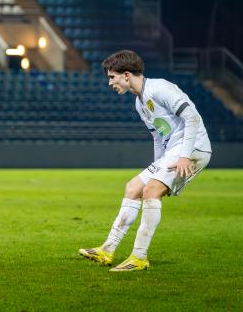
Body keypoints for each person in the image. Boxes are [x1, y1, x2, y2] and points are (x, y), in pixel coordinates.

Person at [79, 50, 211, 272]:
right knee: (133, 188)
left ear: (126, 75)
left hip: (193, 148)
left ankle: (139, 257)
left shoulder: (160, 88)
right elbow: (158, 137)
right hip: (173, 150)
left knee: (151, 191)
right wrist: (157, 166)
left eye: (112, 77)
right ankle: (107, 249)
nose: (110, 82)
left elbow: (192, 117)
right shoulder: (140, 104)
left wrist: (184, 156)